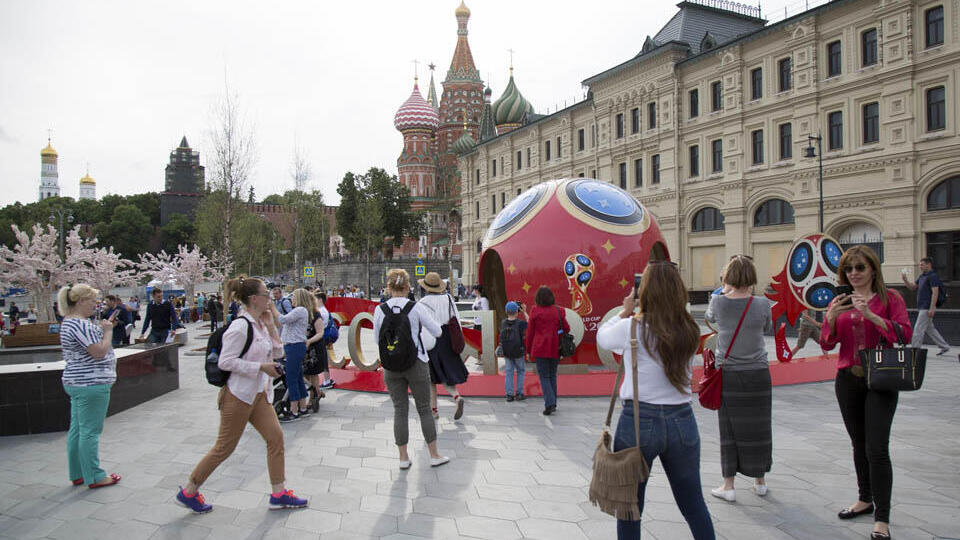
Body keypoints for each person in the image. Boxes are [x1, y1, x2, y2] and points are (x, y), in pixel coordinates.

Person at [597, 261, 715, 540]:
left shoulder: (631, 328)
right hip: (682, 421)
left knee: (631, 507)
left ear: (644, 291)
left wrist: (625, 310)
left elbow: (602, 337)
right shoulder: (689, 329)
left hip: (638, 420)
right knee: (693, 503)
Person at [176, 276, 307, 514]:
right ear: (255, 299)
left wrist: (270, 327)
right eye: (267, 294)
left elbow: (278, 352)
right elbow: (226, 362)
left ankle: (279, 493)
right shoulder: (240, 326)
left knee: (276, 438)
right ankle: (189, 490)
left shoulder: (259, 324)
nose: (271, 298)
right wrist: (260, 367)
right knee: (224, 448)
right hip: (237, 396)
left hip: (258, 395)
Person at [821, 246, 911, 540]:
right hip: (848, 379)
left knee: (877, 448)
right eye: (849, 269)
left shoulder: (890, 298)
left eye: (860, 267)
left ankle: (882, 519)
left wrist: (870, 315)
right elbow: (827, 343)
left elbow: (904, 334)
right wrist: (832, 317)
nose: (854, 273)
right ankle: (865, 498)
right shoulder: (840, 300)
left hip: (881, 379)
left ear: (873, 269)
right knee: (859, 444)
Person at [704, 255, 774, 502]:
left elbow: (710, 319)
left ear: (727, 277)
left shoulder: (719, 303)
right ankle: (760, 481)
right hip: (759, 373)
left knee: (729, 429)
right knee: (760, 428)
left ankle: (728, 485)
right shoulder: (763, 304)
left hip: (730, 373)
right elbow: (767, 329)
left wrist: (724, 289)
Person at [372, 268, 449, 469]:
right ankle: (434, 455)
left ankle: (403, 458)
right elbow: (438, 331)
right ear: (408, 287)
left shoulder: (379, 310)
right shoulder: (415, 308)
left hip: (390, 366)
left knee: (399, 409)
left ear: (388, 287)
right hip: (417, 363)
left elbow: (376, 339)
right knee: (424, 409)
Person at [57, 283, 122, 489]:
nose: (95, 305)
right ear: (80, 301)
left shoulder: (68, 322)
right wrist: (108, 332)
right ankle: (94, 475)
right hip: (91, 383)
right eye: (92, 301)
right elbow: (99, 352)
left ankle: (78, 472)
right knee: (90, 431)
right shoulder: (80, 324)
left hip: (76, 381)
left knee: (77, 429)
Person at [417, 272, 469, 420]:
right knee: (447, 375)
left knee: (431, 378)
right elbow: (456, 319)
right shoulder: (448, 298)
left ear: (425, 287)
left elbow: (420, 325)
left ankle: (434, 411)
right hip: (448, 339)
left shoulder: (422, 303)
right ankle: (456, 396)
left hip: (431, 340)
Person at [525, 286, 570, 416]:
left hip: (539, 348)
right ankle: (553, 402)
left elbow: (530, 333)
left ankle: (549, 403)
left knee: (544, 376)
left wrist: (527, 350)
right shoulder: (559, 310)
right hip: (555, 347)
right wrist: (558, 332)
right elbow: (566, 328)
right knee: (552, 376)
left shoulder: (535, 311)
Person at [276, 288, 314, 421]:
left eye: (293, 297)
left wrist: (272, 308)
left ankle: (294, 410)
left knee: (291, 379)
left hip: (294, 347)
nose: (291, 299)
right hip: (295, 346)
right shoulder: (301, 311)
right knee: (297, 378)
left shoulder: (299, 310)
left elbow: (282, 319)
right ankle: (302, 407)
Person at [901, 257, 950, 356]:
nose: (920, 266)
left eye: (922, 264)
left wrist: (932, 308)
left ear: (929, 264)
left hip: (927, 307)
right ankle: (944, 346)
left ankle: (915, 349)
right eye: (920, 264)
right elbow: (912, 287)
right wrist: (905, 280)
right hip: (923, 306)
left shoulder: (933, 276)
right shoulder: (922, 276)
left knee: (918, 328)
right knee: (930, 329)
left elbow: (935, 293)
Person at [499, 301, 528, 402]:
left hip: (507, 352)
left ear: (506, 311)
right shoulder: (520, 323)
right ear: (517, 311)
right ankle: (519, 393)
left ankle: (509, 395)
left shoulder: (503, 322)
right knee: (520, 371)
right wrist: (524, 312)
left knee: (509, 372)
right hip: (518, 352)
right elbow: (530, 322)